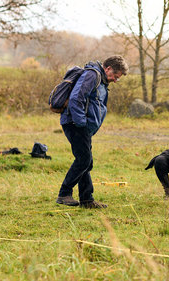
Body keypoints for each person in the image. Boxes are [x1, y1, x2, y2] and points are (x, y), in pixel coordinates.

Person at [56, 55, 129, 209]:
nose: (115, 80)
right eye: (115, 76)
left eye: (118, 78)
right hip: (75, 123)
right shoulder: (92, 75)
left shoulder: (101, 80)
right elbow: (76, 98)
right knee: (83, 160)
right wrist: (81, 123)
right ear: (108, 68)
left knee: (86, 161)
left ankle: (87, 200)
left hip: (81, 125)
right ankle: (64, 193)